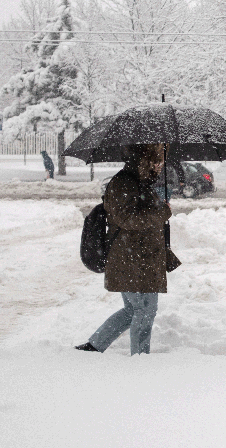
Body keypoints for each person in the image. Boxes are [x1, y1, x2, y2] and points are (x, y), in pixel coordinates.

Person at [75, 143, 173, 355]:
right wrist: (160, 213)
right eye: (156, 160)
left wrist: (159, 209)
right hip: (131, 258)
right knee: (145, 310)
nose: (160, 165)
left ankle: (94, 346)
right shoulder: (124, 183)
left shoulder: (140, 182)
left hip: (141, 258)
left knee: (134, 310)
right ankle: (139, 358)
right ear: (145, 160)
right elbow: (127, 218)